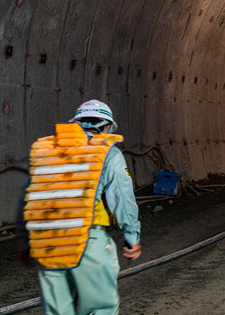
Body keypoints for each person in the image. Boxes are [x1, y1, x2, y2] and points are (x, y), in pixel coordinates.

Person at [16, 99, 142, 314]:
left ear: (75, 123)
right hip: (88, 242)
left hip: (48, 245)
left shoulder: (48, 151)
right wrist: (132, 238)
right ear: (108, 127)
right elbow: (123, 197)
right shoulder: (107, 153)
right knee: (100, 309)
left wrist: (24, 243)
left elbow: (28, 197)